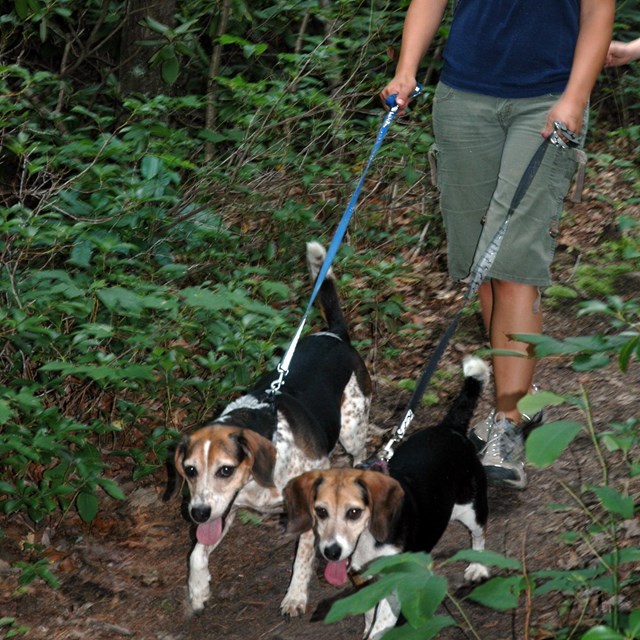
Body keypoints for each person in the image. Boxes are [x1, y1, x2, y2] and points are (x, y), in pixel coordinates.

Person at [381, 0, 614, 489]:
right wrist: (406, 71)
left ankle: (507, 427)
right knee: (481, 268)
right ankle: (521, 401)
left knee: (512, 263)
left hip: (547, 100)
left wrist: (575, 96)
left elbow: (597, 13)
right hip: (463, 99)